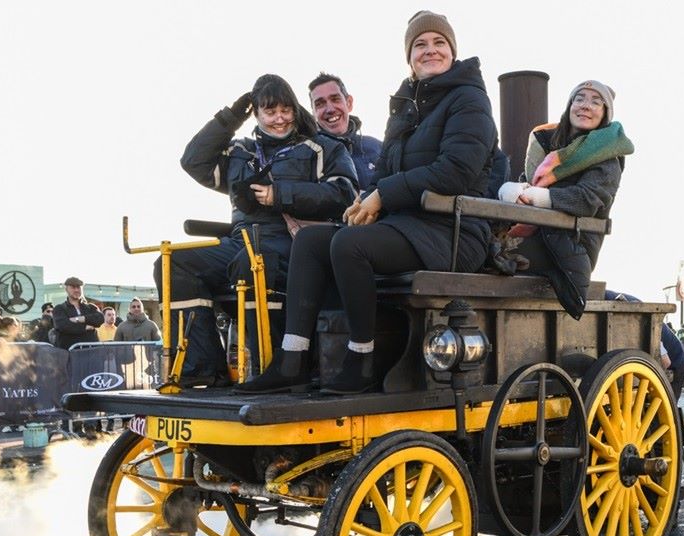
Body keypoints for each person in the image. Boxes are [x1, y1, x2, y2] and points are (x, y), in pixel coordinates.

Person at [244, 11, 496, 395]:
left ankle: (361, 358)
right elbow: (386, 170)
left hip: (454, 229)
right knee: (312, 241)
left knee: (350, 244)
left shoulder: (470, 100)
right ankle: (292, 358)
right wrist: (364, 199)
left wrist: (383, 195)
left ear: (453, 51)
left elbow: (456, 171)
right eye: (420, 45)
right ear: (409, 56)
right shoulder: (406, 106)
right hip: (407, 224)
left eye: (439, 43)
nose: (430, 50)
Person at [169, 73, 359, 388]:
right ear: (256, 113)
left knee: (253, 263)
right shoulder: (239, 152)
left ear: (295, 109)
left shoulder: (320, 147)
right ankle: (201, 367)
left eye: (286, 110)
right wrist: (231, 116)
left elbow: (344, 193)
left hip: (296, 244)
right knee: (174, 262)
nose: (280, 119)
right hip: (240, 241)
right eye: (270, 112)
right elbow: (193, 162)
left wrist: (279, 195)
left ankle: (268, 367)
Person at [497, 79, 633, 319]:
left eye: (596, 102)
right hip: (539, 235)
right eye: (579, 99)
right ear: (570, 105)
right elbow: (529, 185)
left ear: (605, 114)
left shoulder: (606, 158)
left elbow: (588, 200)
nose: (585, 105)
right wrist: (512, 191)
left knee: (487, 258)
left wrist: (538, 197)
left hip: (571, 245)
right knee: (480, 245)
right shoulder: (550, 150)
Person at [308, 73, 382, 192]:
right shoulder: (306, 156)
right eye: (320, 104)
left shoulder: (378, 148)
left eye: (335, 99)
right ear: (313, 113)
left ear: (349, 103)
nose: (330, 109)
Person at [51, 276, 104, 350]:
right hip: (69, 352)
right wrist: (85, 327)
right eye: (73, 287)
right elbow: (63, 326)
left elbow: (100, 319)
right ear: (66, 289)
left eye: (78, 287)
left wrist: (79, 319)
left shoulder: (90, 307)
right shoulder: (60, 308)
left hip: (92, 351)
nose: (76, 290)